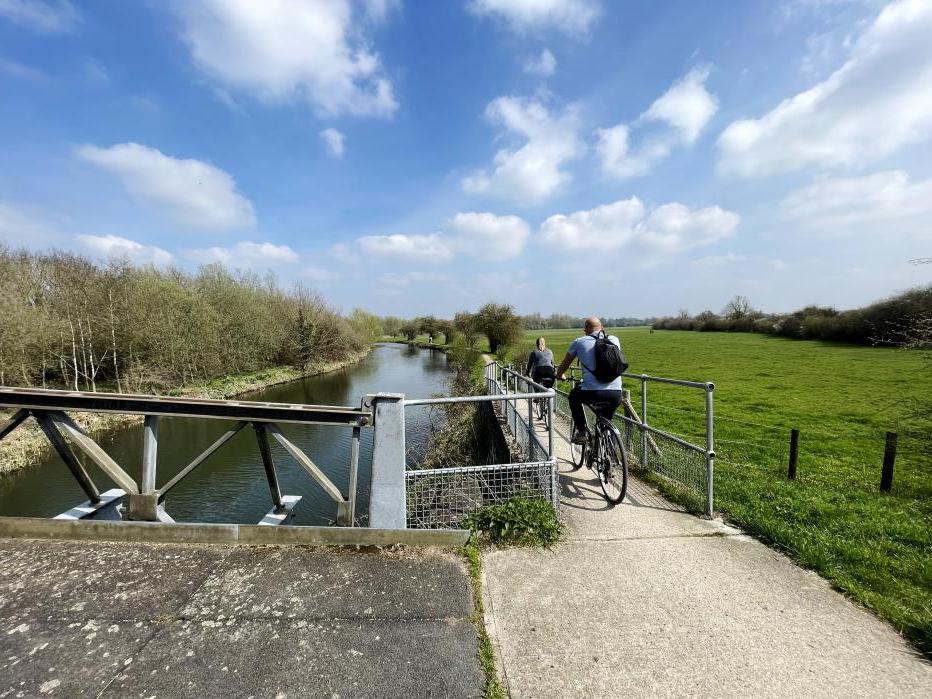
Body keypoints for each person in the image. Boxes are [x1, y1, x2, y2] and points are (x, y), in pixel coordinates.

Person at [556, 317, 623, 443]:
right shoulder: (614, 340)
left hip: (592, 392)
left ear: (586, 329)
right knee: (606, 422)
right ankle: (610, 452)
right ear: (602, 327)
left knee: (573, 397)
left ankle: (582, 432)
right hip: (615, 392)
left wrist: (560, 375)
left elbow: (565, 364)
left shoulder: (579, 342)